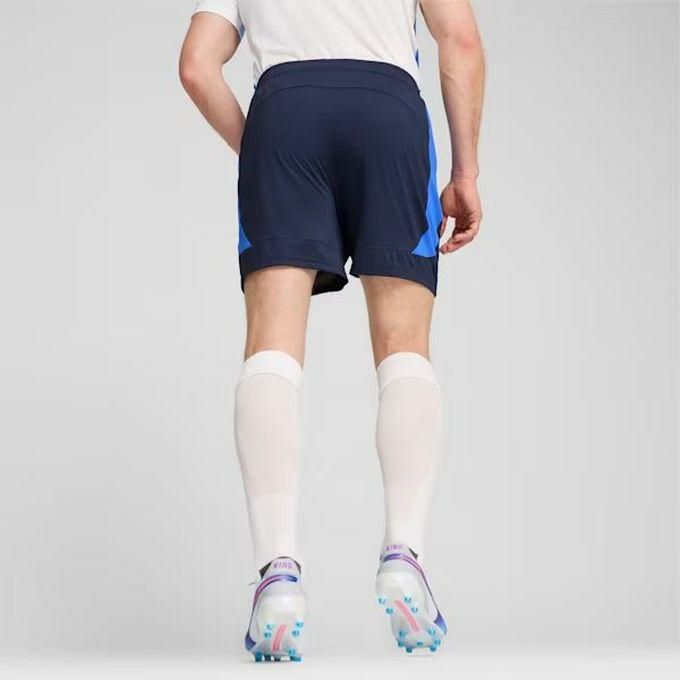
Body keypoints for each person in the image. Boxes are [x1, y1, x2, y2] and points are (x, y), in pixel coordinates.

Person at [179, 0, 485, 662]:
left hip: (285, 109)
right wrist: (464, 173)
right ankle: (405, 554)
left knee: (271, 344)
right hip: (388, 110)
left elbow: (198, 66)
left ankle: (278, 575)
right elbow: (459, 39)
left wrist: (263, 151)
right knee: (404, 350)